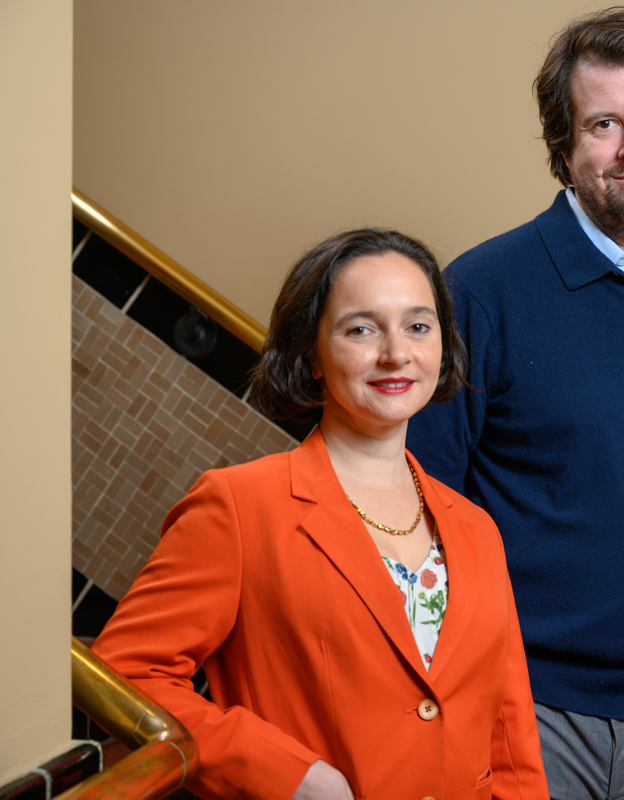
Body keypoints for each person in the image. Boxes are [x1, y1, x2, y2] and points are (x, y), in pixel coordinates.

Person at [405, 7, 624, 799]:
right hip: (525, 710)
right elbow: (422, 506)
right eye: (604, 123)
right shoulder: (480, 290)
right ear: (563, 147)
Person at [92, 229, 550, 800]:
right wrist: (290, 776)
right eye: (361, 329)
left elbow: (508, 733)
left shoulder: (476, 528)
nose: (396, 353)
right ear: (311, 354)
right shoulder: (238, 506)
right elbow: (125, 675)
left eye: (417, 326)